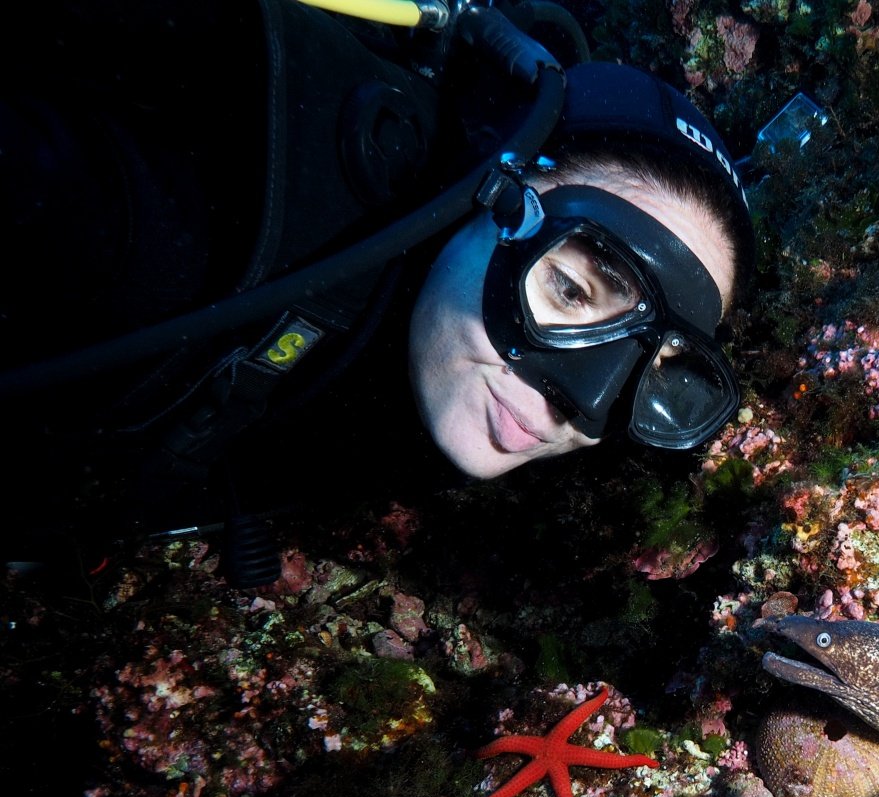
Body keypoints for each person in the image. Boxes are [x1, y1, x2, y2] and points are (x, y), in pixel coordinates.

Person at [1, 0, 754, 582]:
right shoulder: (179, 226)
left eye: (642, 373)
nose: (580, 407)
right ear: (490, 184)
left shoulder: (434, 420)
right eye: (568, 286)